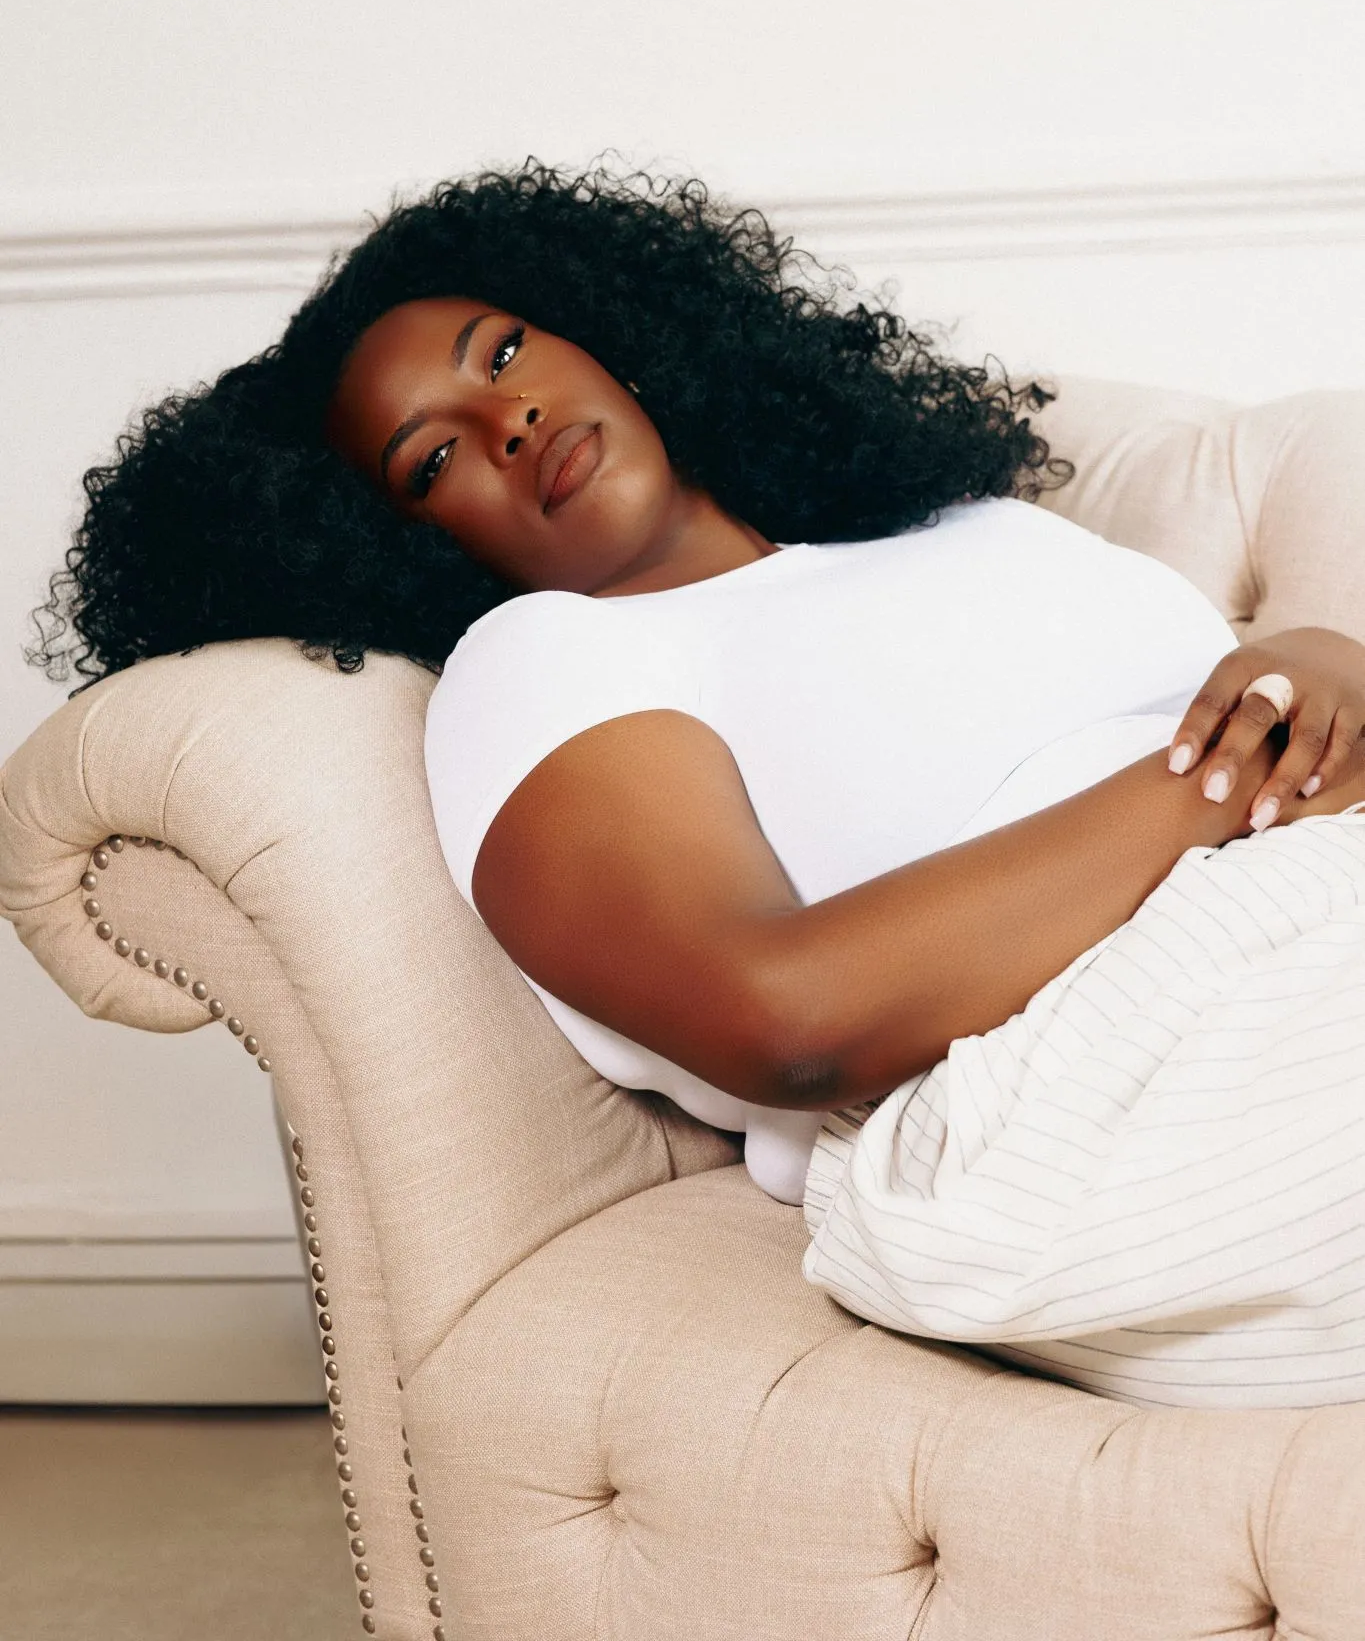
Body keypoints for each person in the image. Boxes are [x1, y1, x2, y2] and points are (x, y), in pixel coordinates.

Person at [31, 160, 1365, 1406]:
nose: (508, 421)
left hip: (1295, 929)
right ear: (398, 548)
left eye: (504, 353)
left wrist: (1315, 663)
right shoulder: (549, 661)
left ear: (606, 333)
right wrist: (1224, 780)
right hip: (1082, 1080)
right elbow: (786, 1021)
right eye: (433, 461)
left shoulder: (957, 524)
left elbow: (1249, 722)